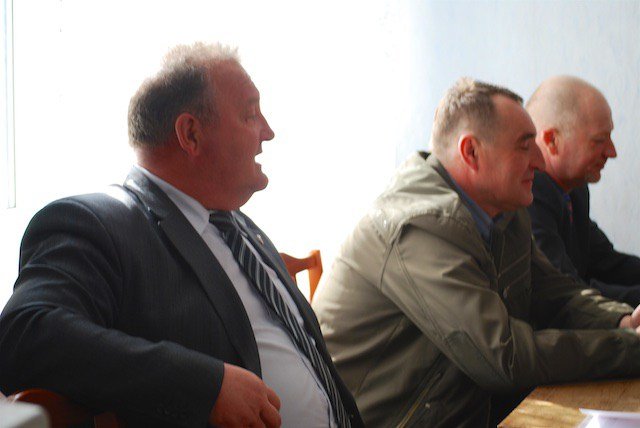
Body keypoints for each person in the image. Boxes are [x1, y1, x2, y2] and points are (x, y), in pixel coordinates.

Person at [0, 42, 362, 428]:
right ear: (190, 134)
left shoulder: (239, 227)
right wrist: (203, 386)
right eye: (250, 114)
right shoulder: (97, 223)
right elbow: (23, 335)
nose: (268, 132)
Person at [312, 77, 640, 427]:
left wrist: (622, 321)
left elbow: (555, 293)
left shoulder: (504, 210)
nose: (540, 162)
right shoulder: (421, 226)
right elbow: (503, 357)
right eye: (524, 146)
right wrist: (628, 347)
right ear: (471, 152)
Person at [526, 75, 640, 307]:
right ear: (552, 140)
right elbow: (567, 291)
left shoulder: (573, 189)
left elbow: (607, 263)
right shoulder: (528, 195)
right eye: (599, 140)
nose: (612, 152)